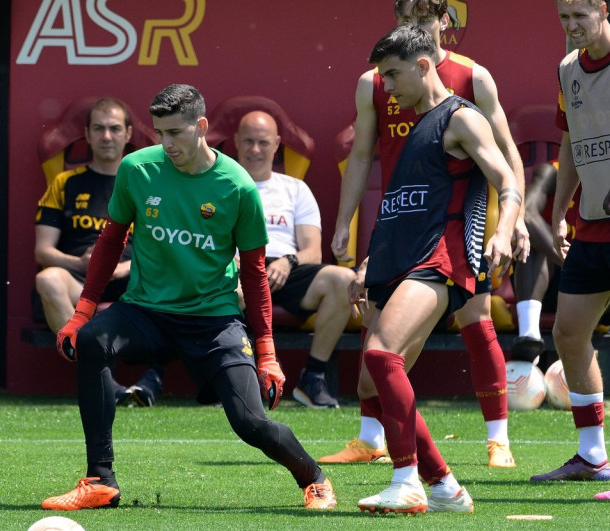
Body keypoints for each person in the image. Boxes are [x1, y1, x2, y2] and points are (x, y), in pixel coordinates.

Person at [40, 84, 337, 511]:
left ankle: (314, 478)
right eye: (160, 132)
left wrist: (267, 353)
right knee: (92, 340)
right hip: (146, 312)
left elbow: (254, 274)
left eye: (176, 132)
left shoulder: (237, 186)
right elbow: (110, 241)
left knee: (251, 423)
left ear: (201, 127)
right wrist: (82, 312)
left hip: (214, 322)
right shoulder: (137, 169)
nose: (167, 143)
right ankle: (100, 480)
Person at [325, 0, 528, 469]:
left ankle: (494, 440)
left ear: (444, 22)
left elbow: (505, 158)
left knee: (471, 320)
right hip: (400, 223)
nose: (413, 26)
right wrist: (345, 225)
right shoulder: (378, 81)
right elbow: (362, 156)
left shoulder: (470, 82)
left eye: (423, 18)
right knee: (377, 358)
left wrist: (509, 222)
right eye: (405, 18)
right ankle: (377, 442)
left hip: (454, 227)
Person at [34, 97, 164, 407]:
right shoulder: (65, 182)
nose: (107, 136)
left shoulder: (149, 185)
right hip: (81, 279)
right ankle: (104, 381)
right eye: (99, 129)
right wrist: (78, 261)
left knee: (179, 279)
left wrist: (124, 267)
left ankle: (152, 380)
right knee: (48, 279)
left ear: (128, 134)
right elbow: (43, 251)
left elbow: (165, 247)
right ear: (87, 135)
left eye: (115, 129)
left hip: (134, 279)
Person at [534, 0, 610, 494]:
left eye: (580, 15)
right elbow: (570, 142)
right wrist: (560, 210)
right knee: (568, 333)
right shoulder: (567, 69)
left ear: (603, 9)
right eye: (564, 18)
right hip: (592, 226)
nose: (572, 26)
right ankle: (593, 455)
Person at [234, 110, 355, 408]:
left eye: (263, 142)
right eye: (248, 141)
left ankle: (313, 378)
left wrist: (288, 261)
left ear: (277, 144)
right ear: (236, 141)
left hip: (285, 270)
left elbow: (313, 251)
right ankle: (236, 381)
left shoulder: (295, 189)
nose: (255, 149)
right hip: (235, 269)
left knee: (344, 280)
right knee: (229, 291)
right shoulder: (219, 186)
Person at [511, 161, 577, 363]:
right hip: (549, 282)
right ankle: (530, 336)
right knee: (530, 238)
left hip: (595, 284)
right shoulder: (553, 172)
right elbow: (527, 215)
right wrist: (573, 266)